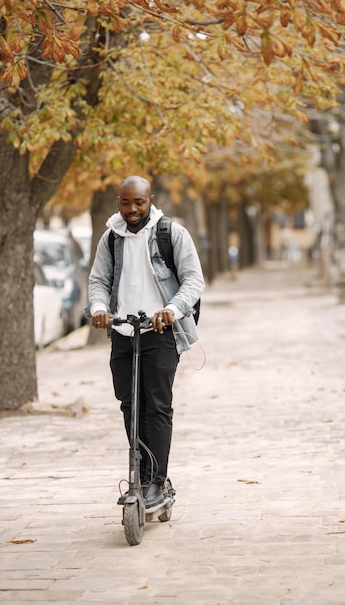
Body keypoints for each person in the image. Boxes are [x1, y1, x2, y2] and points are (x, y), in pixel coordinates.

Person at [86, 175, 205, 510]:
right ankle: (143, 477)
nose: (132, 209)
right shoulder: (111, 237)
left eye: (139, 202)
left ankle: (157, 482)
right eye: (126, 203)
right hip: (125, 331)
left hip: (161, 332)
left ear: (150, 199)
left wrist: (172, 309)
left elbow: (194, 279)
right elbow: (98, 279)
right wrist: (98, 308)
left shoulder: (171, 233)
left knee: (156, 407)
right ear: (119, 202)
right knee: (130, 406)